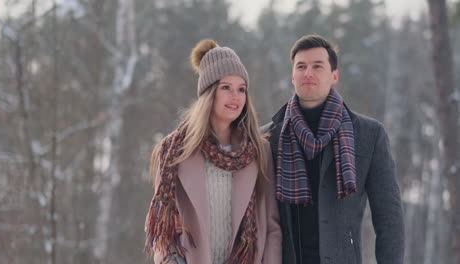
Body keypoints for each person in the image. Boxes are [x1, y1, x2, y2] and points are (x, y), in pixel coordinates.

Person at [262, 34, 404, 264]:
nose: (308, 73)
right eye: (301, 66)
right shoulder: (268, 137)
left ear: (334, 75)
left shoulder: (369, 135)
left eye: (317, 66)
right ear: (292, 75)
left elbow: (389, 218)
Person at [144, 39, 281, 264]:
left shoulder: (259, 150)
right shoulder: (174, 151)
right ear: (209, 93)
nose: (235, 96)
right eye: (226, 87)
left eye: (241, 89)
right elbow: (163, 228)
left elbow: (273, 227)